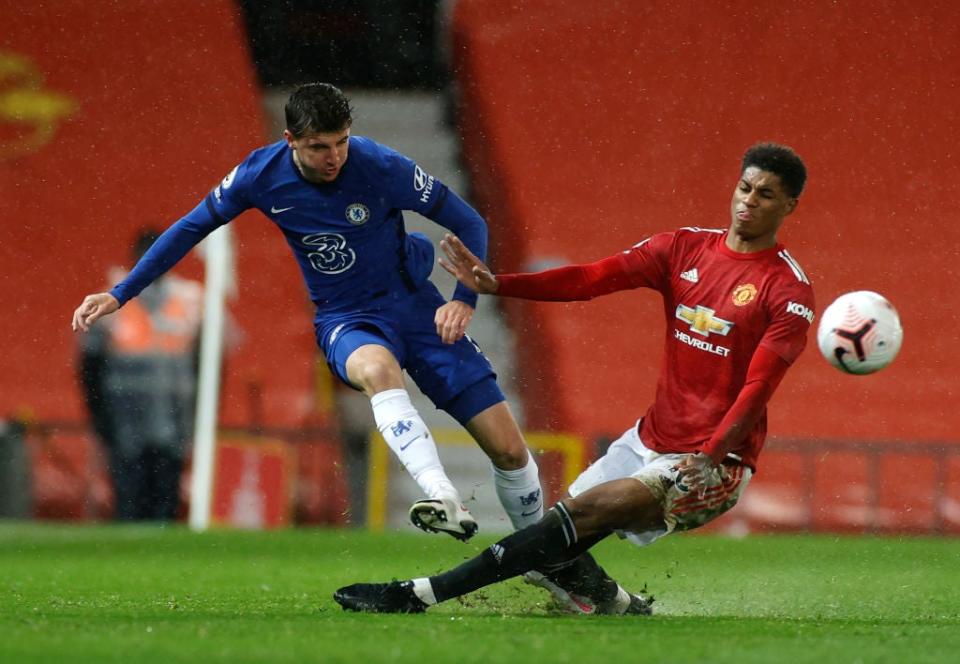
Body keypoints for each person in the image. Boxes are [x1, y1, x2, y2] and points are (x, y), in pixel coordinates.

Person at [333, 142, 815, 615]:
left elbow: (758, 389)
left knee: (574, 520)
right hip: (649, 439)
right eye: (745, 187)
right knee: (549, 550)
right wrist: (502, 285)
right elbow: (589, 279)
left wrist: (709, 456)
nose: (748, 201)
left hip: (714, 461)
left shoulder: (787, 290)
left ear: (789, 205)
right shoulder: (683, 248)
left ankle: (417, 595)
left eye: (765, 195)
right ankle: (622, 607)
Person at [71, 82, 544, 540]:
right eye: (320, 146)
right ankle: (442, 496)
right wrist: (123, 292)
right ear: (290, 140)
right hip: (347, 319)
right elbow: (190, 228)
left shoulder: (379, 165)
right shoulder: (260, 175)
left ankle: (551, 561)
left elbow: (469, 220)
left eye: (341, 142)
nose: (335, 156)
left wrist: (463, 300)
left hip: (416, 307)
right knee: (378, 370)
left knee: (508, 450)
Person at [77, 229, 203, 521]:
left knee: (165, 497)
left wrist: (197, 416)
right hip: (125, 420)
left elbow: (207, 364)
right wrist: (99, 417)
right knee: (129, 497)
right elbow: (89, 367)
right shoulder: (111, 302)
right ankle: (126, 558)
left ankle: (161, 556)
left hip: (173, 418)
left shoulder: (189, 302)